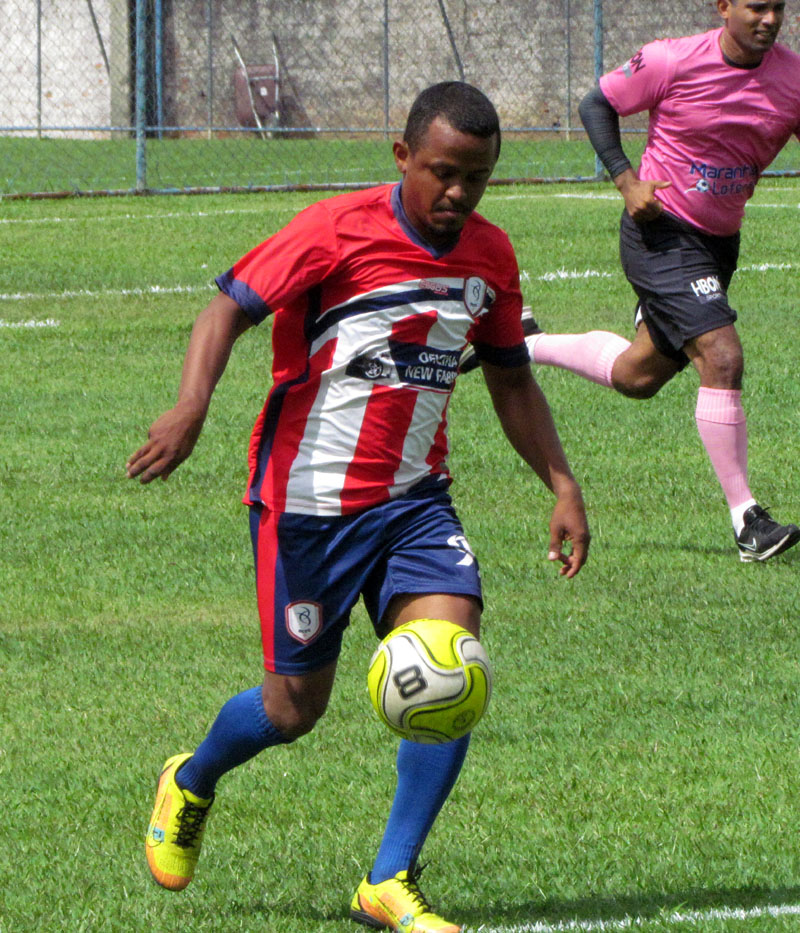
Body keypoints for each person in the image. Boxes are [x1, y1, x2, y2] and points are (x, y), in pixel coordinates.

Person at [127, 81, 590, 933]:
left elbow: (512, 376)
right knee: (293, 708)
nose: (457, 194)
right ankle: (192, 777)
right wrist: (191, 405)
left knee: (450, 668)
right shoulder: (334, 231)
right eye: (444, 173)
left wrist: (560, 481)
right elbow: (223, 311)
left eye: (477, 179)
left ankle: (388, 878)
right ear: (402, 156)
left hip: (415, 505)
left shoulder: (489, 255)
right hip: (306, 506)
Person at [499, 0, 800, 562]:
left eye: (779, 8)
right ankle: (748, 522)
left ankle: (521, 344)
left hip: (718, 244)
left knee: (638, 377)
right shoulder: (672, 61)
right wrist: (626, 180)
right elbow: (597, 104)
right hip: (659, 232)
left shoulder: (792, 77)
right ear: (725, 7)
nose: (769, 19)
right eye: (757, 6)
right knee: (723, 357)